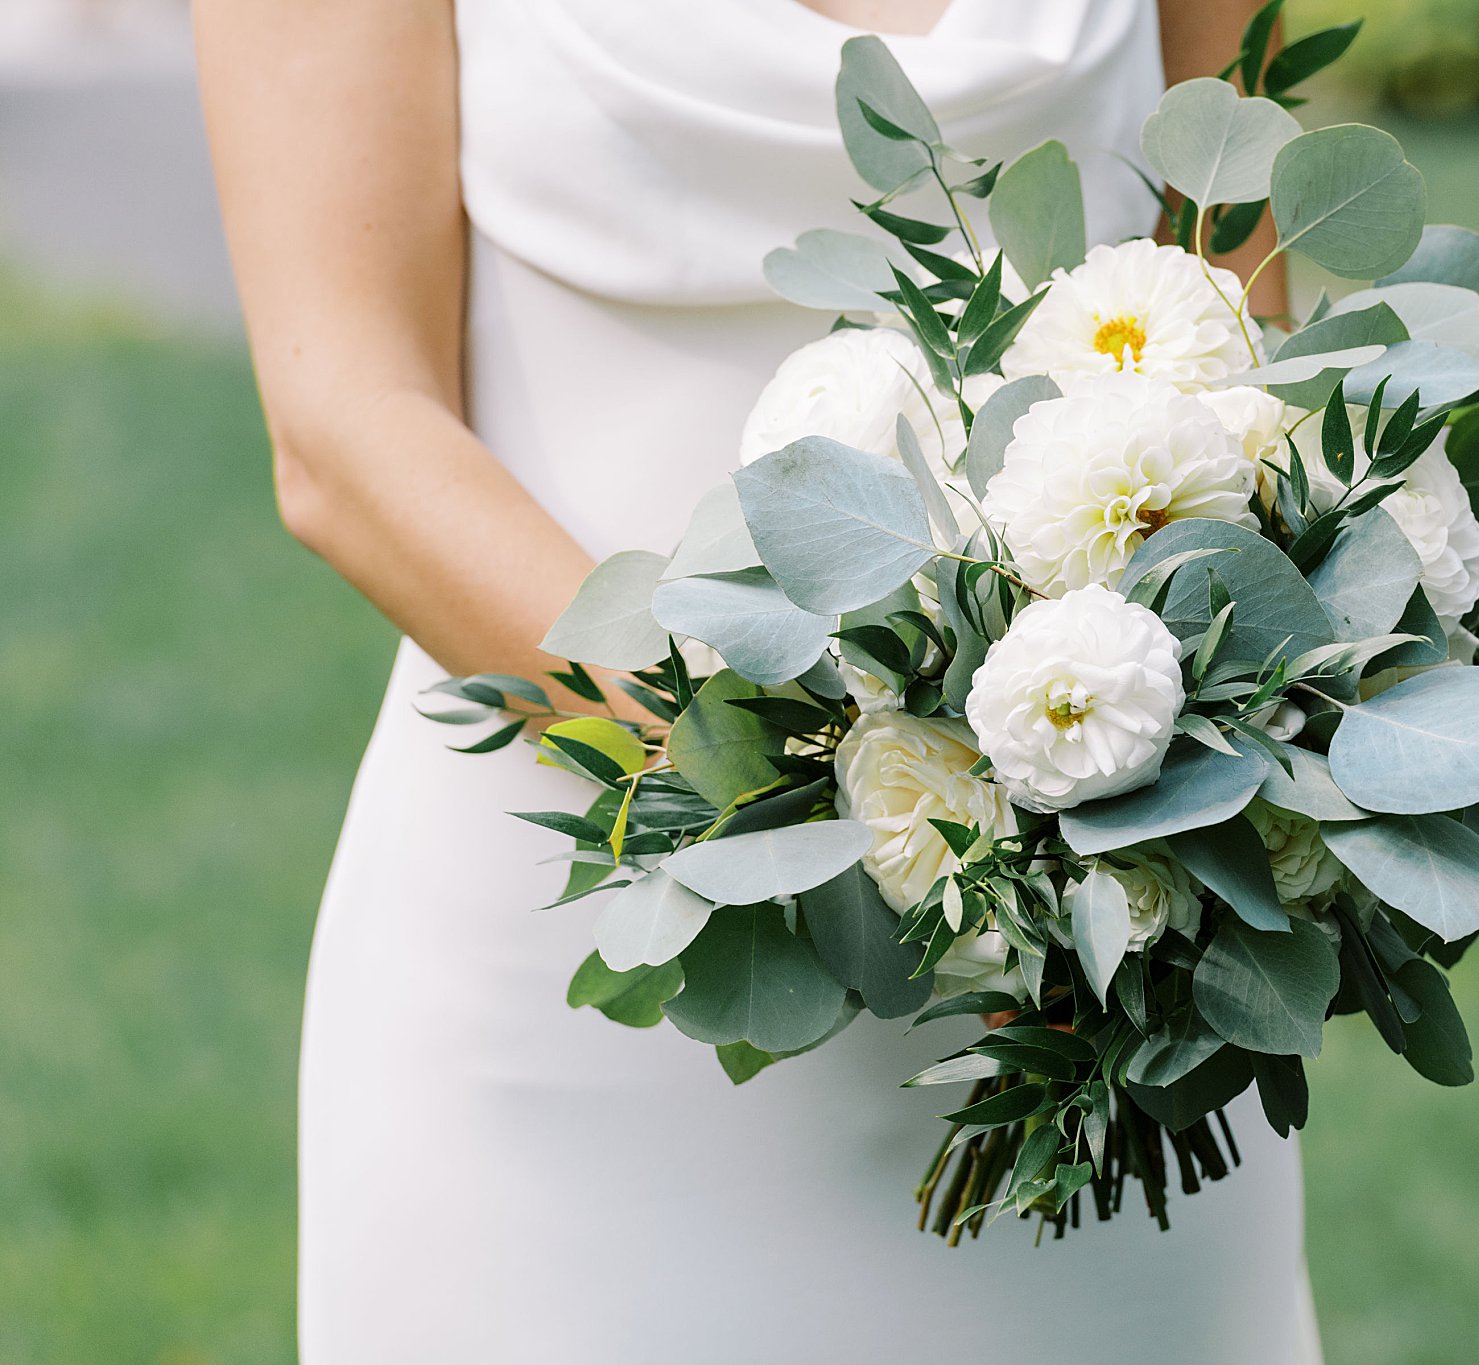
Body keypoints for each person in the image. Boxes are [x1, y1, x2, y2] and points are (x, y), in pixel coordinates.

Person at [196, 2, 1311, 1359]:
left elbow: (1240, 307)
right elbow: (345, 429)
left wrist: (1191, 757)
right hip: (596, 958)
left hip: (1090, 975)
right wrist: (815, 821)